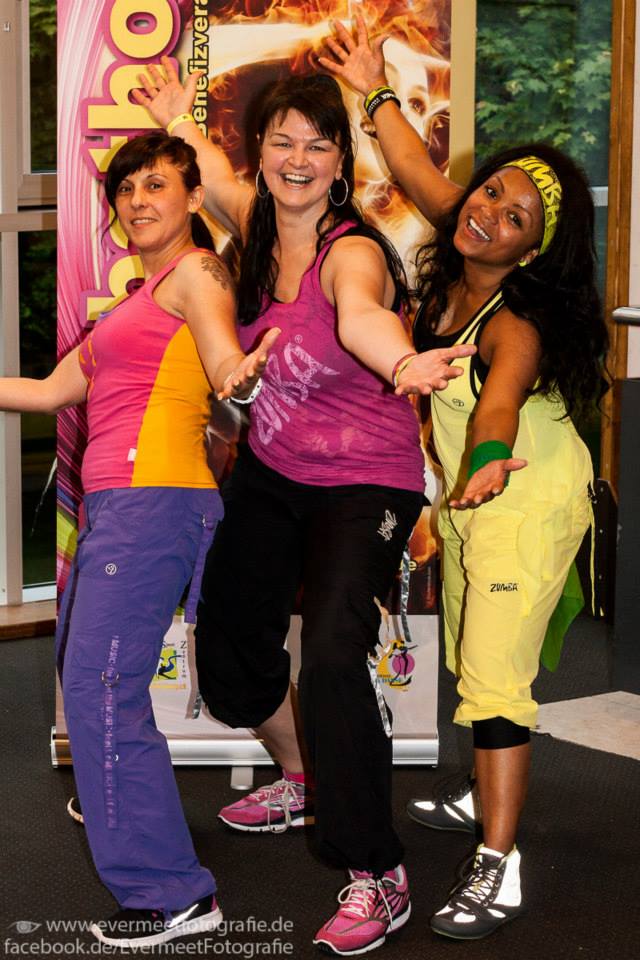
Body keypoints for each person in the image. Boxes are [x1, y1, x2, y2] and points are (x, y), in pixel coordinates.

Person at [136, 62, 476, 956]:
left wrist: (401, 362)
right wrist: (179, 119)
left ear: (339, 164)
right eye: (283, 141)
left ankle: (376, 870)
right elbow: (210, 167)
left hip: (367, 480)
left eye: (318, 146)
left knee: (328, 655)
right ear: (265, 151)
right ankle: (304, 777)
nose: (298, 158)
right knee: (227, 647)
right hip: (276, 469)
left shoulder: (351, 252)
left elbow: (361, 315)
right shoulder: (254, 221)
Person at [320, 12, 609, 941]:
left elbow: (498, 408)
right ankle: (482, 793)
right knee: (465, 656)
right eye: (491, 192)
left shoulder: (513, 319)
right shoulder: (468, 235)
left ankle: (499, 861)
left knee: (493, 684)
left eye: (515, 218)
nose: (488, 212)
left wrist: (482, 466)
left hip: (525, 495)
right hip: (476, 499)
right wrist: (371, 87)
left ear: (533, 250)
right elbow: (414, 168)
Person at [2, 130, 279, 949]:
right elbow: (50, 389)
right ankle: (129, 810)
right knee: (90, 681)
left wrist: (238, 375)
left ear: (191, 198)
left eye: (156, 184)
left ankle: (175, 895)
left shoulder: (195, 272)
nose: (137, 200)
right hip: (120, 509)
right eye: (126, 189)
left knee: (101, 689)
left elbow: (223, 355)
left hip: (155, 502)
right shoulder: (132, 302)